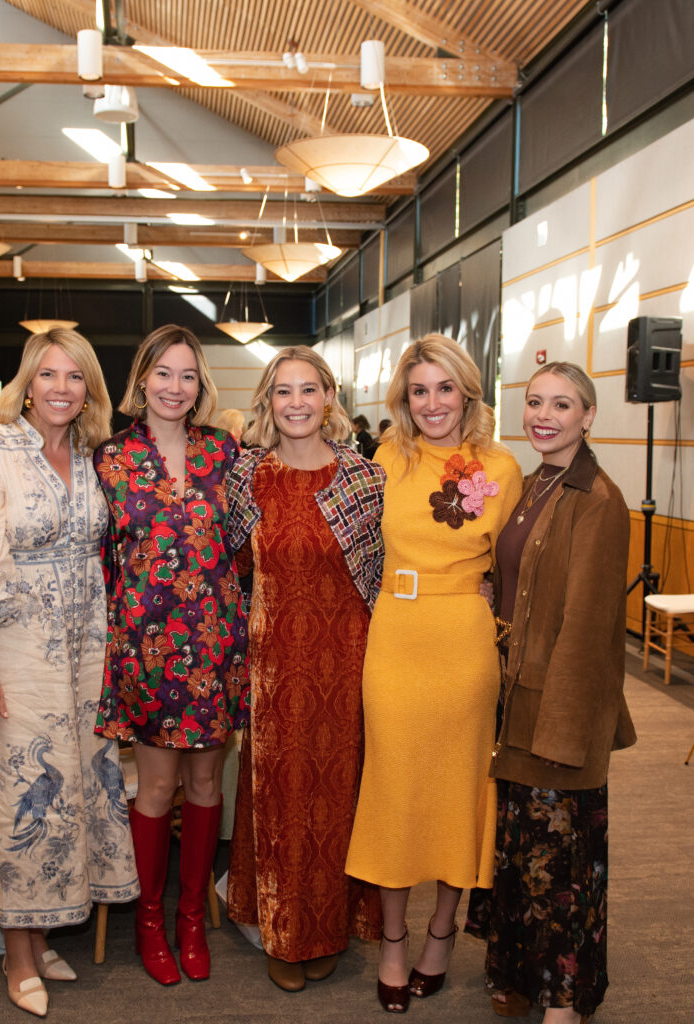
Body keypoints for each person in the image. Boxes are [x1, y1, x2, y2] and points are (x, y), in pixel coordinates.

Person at [0, 328, 139, 1019]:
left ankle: (38, 935)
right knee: (17, 797)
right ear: (26, 381)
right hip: (9, 651)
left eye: (76, 377)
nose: (62, 389)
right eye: (48, 375)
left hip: (79, 653)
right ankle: (17, 955)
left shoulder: (86, 453)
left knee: (62, 790)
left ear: (89, 389)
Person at [345, 334, 522, 1013]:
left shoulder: (500, 467)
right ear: (403, 398)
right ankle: (391, 940)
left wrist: (489, 599)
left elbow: (515, 566)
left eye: (443, 388)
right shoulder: (385, 456)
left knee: (455, 790)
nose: (432, 402)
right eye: (418, 390)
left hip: (462, 641)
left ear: (467, 392)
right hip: (393, 633)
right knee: (392, 785)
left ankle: (440, 934)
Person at [226, 346, 385, 992]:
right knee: (278, 798)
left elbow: (386, 575)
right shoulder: (247, 479)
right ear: (268, 402)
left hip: (347, 661)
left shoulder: (364, 480)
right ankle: (282, 928)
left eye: (308, 390)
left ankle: (329, 925)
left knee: (338, 796)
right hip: (270, 667)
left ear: (328, 398)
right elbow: (230, 571)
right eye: (282, 392)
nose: (295, 403)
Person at [94, 324, 249, 986]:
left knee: (207, 785)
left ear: (200, 385)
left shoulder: (226, 453)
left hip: (213, 647)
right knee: (156, 787)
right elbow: (97, 558)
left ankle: (192, 919)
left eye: (187, 375)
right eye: (163, 373)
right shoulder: (110, 457)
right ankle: (149, 923)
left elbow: (251, 546)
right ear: (142, 379)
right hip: (147, 650)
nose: (175, 387)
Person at [485, 363, 636, 1024]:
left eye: (562, 405)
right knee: (520, 860)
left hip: (557, 711)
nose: (544, 415)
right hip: (511, 700)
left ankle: (565, 999)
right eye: (535, 402)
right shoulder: (528, 483)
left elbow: (587, 630)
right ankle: (519, 973)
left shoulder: (598, 499)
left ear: (587, 416)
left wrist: (562, 734)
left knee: (561, 871)